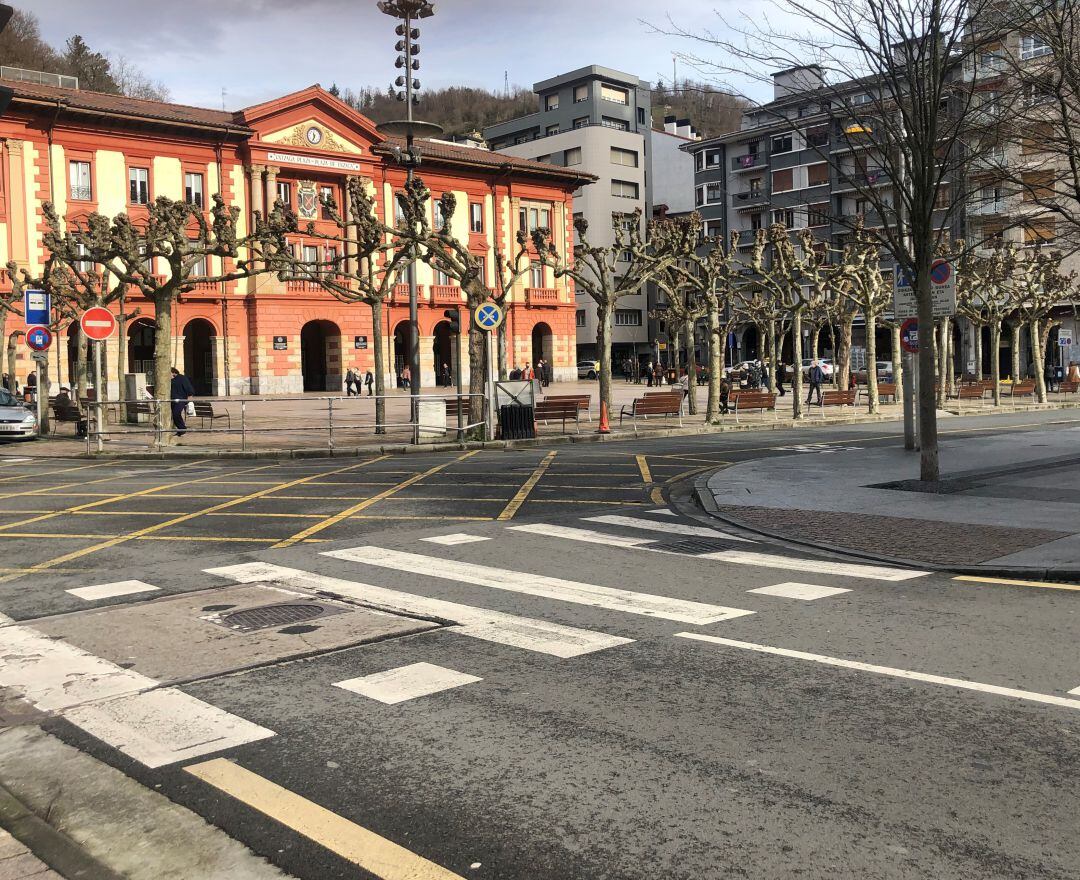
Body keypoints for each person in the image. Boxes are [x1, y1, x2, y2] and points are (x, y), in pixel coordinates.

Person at [170, 367, 195, 436]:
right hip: (172, 400)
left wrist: (190, 395)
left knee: (176, 414)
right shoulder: (170, 380)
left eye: (169, 373)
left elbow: (188, 387)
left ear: (174, 372)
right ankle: (180, 430)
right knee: (174, 415)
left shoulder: (182, 378)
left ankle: (182, 429)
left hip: (181, 399)